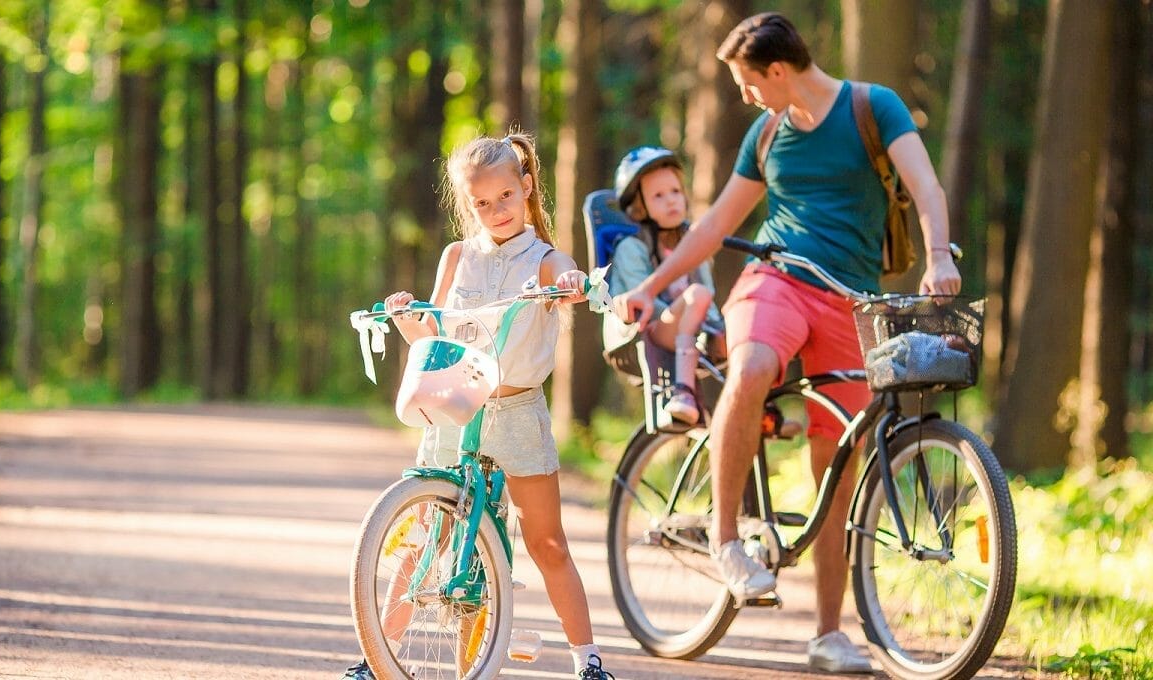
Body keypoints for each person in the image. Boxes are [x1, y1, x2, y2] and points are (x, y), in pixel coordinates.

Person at [613, 12, 961, 675]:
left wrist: (939, 257)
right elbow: (716, 222)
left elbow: (925, 186)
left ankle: (828, 633)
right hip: (776, 282)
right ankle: (726, 542)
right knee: (751, 368)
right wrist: (654, 284)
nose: (745, 97)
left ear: (777, 71)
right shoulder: (767, 134)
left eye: (748, 83)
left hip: (852, 302)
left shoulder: (871, 107)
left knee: (839, 464)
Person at [342, 131, 615, 680]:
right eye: (482, 203)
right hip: (454, 402)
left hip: (516, 413)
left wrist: (572, 285)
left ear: (527, 187)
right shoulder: (456, 256)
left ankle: (589, 661)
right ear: (469, 205)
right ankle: (380, 657)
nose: (496, 211)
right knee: (427, 535)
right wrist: (404, 316)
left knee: (546, 539)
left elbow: (576, 284)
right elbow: (430, 334)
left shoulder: (545, 259)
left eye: (506, 198)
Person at [605, 146, 724, 425]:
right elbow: (641, 303)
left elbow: (711, 301)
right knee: (696, 294)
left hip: (692, 328)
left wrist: (720, 328)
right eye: (658, 196)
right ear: (639, 207)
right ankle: (683, 391)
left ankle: (763, 411)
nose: (671, 201)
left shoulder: (693, 245)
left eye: (675, 192)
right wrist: (686, 313)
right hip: (651, 328)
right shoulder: (632, 248)